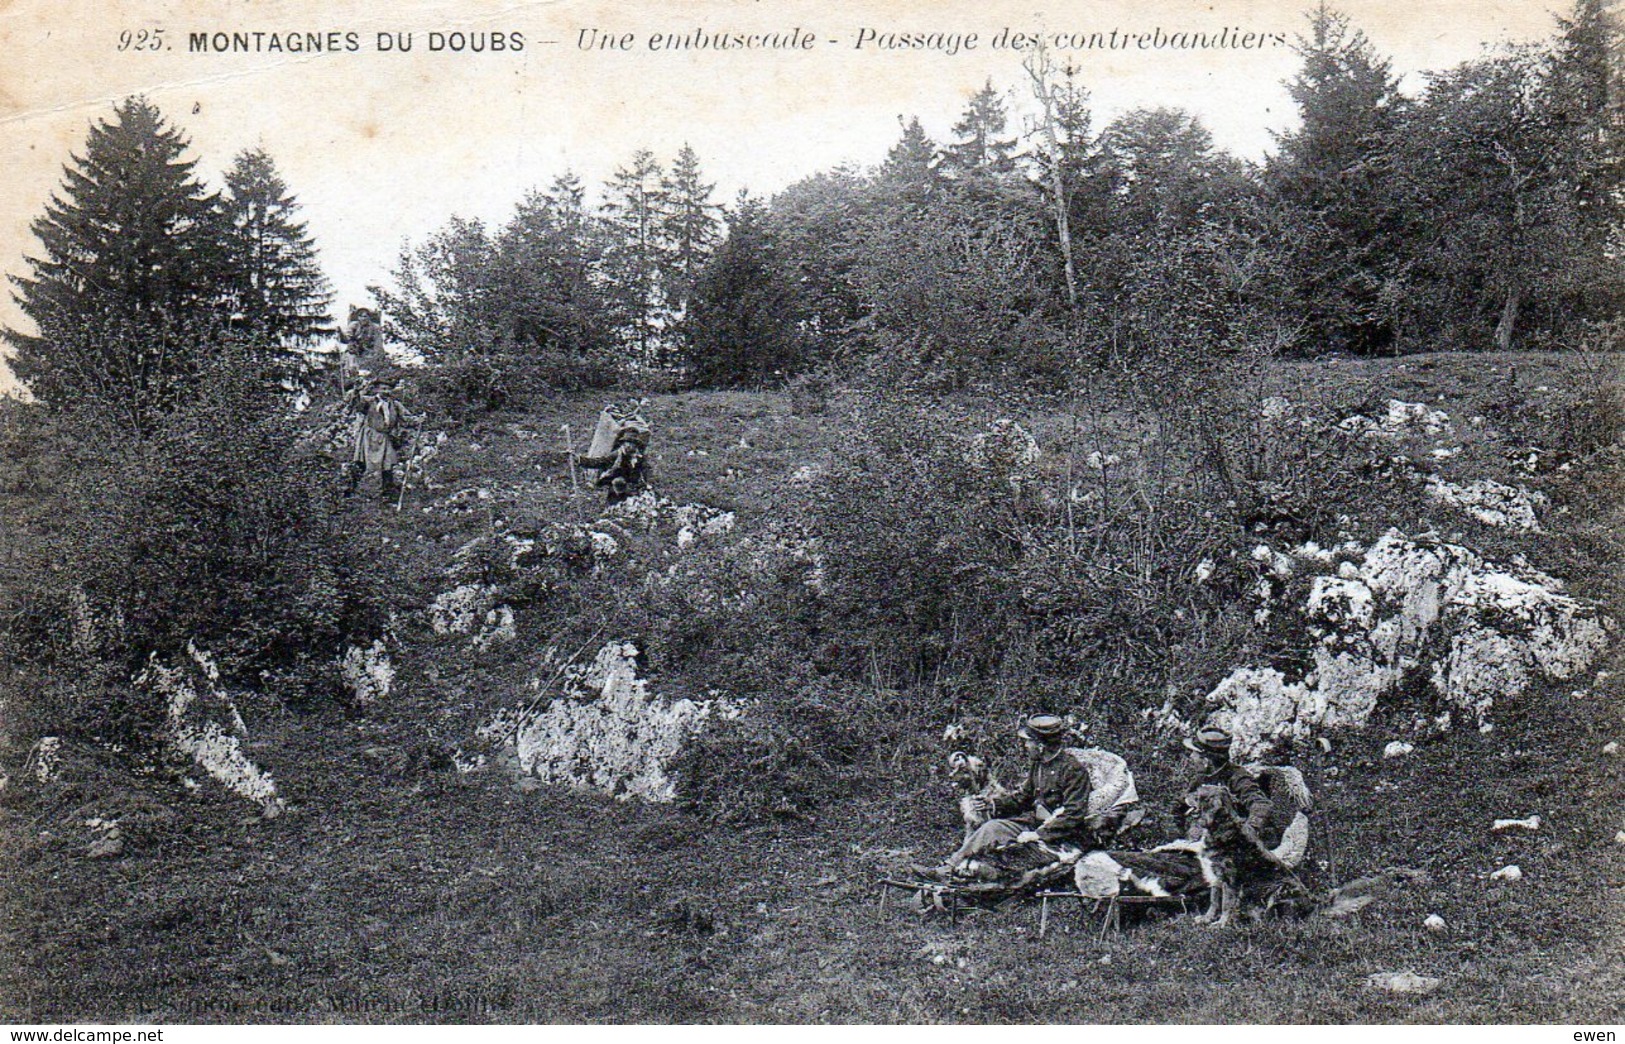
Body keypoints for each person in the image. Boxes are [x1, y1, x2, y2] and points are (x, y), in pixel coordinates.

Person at [943, 714, 1112, 874]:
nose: (1025, 746)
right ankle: (952, 866)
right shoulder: (1038, 765)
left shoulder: (1072, 770)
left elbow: (1073, 814)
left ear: (1041, 745)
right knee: (993, 827)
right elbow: (1022, 798)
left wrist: (1039, 834)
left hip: (1061, 836)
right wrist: (993, 804)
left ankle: (952, 870)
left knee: (995, 837)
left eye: (1027, 742)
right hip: (1034, 825)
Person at [1181, 721, 1276, 848]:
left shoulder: (1238, 777)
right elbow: (1180, 805)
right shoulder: (1201, 778)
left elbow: (1262, 805)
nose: (1191, 757)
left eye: (1195, 753)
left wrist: (1248, 832)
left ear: (1206, 760)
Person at [346, 380, 412, 497]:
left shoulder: (395, 405)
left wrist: (419, 419)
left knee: (388, 465)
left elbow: (407, 418)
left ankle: (387, 493)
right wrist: (356, 391)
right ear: (377, 390)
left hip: (385, 438)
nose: (386, 392)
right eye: (383, 389)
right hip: (369, 437)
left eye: (388, 389)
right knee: (361, 463)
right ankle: (350, 490)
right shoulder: (369, 401)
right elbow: (356, 405)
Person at [572, 420, 650, 506]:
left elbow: (644, 472)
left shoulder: (638, 458)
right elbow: (598, 462)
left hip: (632, 490)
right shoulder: (616, 455)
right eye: (628, 443)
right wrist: (580, 459)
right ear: (623, 444)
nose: (630, 446)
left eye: (633, 444)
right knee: (617, 489)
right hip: (615, 488)